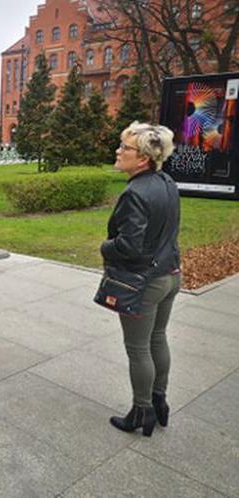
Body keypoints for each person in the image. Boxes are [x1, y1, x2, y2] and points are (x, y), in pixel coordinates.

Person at [102, 121, 181, 437]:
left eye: (126, 148)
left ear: (144, 158)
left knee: (138, 348)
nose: (118, 151)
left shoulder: (135, 193)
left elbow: (129, 246)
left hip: (144, 281)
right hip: (170, 275)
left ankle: (142, 410)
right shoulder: (167, 182)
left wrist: (105, 246)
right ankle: (159, 402)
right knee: (158, 338)